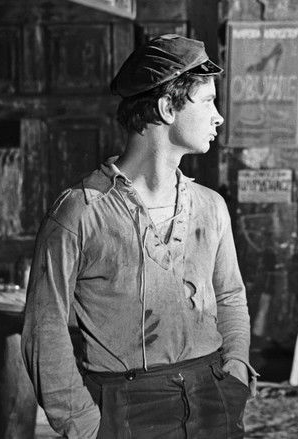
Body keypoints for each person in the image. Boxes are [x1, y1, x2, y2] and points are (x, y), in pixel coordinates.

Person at [21, 34, 257, 438]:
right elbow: (44, 328)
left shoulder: (211, 207)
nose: (219, 117)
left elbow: (231, 296)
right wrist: (86, 426)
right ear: (167, 108)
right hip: (127, 407)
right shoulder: (81, 212)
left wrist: (234, 372)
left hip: (211, 397)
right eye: (207, 102)